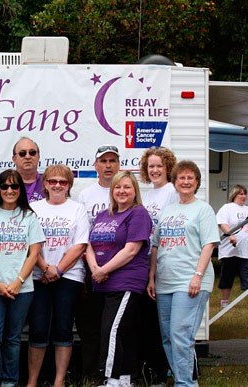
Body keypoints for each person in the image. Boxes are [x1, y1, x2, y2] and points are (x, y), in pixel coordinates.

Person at [148, 160, 219, 387]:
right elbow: (156, 245)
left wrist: (197, 275)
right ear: (175, 182)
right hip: (165, 282)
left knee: (181, 336)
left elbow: (209, 244)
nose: (186, 182)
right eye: (182, 178)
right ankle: (182, 379)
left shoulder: (203, 209)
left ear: (197, 182)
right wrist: (152, 277)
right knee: (168, 337)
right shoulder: (168, 210)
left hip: (190, 281)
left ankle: (186, 384)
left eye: (190, 178)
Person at [0, 169, 45, 387]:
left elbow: (34, 252)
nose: (10, 190)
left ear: (21, 189)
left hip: (21, 289)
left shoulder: (29, 216)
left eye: (14, 186)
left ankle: (10, 381)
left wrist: (18, 281)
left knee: (13, 339)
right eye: (4, 186)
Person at [85, 171, 152, 387]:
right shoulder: (103, 215)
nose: (122, 191)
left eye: (127, 187)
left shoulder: (138, 214)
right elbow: (88, 245)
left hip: (126, 281)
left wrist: (104, 269)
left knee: (111, 329)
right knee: (121, 329)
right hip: (102, 281)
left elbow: (131, 250)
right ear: (112, 191)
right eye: (117, 187)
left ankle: (111, 379)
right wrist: (95, 267)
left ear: (135, 191)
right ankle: (124, 379)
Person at [27, 165, 90, 387]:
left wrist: (58, 270)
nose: (57, 185)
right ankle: (32, 381)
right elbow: (29, 243)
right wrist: (45, 268)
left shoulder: (77, 209)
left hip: (69, 276)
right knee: (38, 329)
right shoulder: (33, 209)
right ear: (44, 184)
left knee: (63, 328)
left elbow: (80, 244)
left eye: (63, 182)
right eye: (52, 181)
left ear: (69, 186)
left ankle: (59, 381)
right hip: (38, 276)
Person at [75, 144, 121, 381]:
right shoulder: (85, 194)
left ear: (119, 164)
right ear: (95, 166)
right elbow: (82, 235)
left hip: (119, 271)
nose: (108, 165)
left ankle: (112, 373)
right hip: (91, 270)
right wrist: (93, 269)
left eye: (112, 161)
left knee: (113, 327)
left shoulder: (124, 191)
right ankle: (90, 373)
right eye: (103, 161)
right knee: (90, 326)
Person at [138, 146, 178, 385]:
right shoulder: (147, 194)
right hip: (148, 263)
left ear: (168, 168)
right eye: (151, 166)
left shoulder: (172, 191)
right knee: (152, 322)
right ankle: (157, 370)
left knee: (171, 325)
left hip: (167, 262)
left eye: (159, 166)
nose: (154, 170)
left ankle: (180, 370)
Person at [216, 184, 248, 311]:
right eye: (241, 194)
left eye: (245, 193)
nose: (244, 196)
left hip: (247, 250)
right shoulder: (227, 208)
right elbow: (221, 223)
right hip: (230, 250)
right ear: (234, 195)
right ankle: (224, 302)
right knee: (227, 275)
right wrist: (230, 235)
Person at [0, 137, 45, 202]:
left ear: (38, 156)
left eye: (32, 152)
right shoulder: (2, 184)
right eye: (22, 153)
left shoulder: (50, 183)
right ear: (14, 159)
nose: (28, 156)